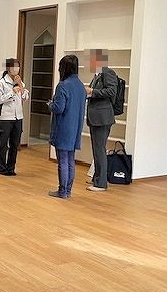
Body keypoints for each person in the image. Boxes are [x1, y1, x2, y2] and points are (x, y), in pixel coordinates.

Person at [47, 55, 86, 199]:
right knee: (70, 160)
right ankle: (68, 190)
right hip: (75, 128)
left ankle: (62, 191)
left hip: (63, 128)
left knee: (62, 160)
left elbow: (59, 108)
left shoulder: (63, 86)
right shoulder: (81, 86)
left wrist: (50, 104)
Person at [85, 49, 118, 192]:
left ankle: (101, 183)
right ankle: (97, 178)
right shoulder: (96, 76)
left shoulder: (108, 72)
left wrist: (92, 92)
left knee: (99, 150)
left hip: (102, 118)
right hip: (95, 117)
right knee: (97, 149)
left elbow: (111, 91)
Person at [0, 58, 29, 176]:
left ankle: (11, 168)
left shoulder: (20, 82)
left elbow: (25, 97)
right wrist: (12, 92)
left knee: (15, 144)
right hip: (5, 118)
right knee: (3, 144)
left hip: (18, 117)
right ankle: (2, 168)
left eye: (18, 66)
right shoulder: (2, 83)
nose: (16, 69)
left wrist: (20, 85)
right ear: (8, 68)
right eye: (14, 66)